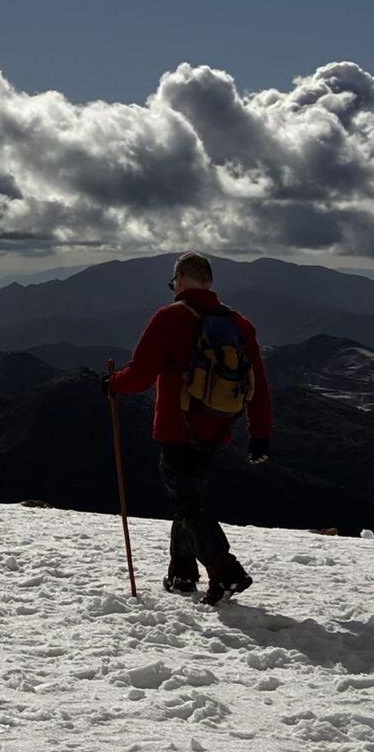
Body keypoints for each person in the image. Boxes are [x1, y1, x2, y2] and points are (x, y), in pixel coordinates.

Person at [105, 252, 272, 605]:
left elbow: (140, 374)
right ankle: (181, 573)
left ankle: (225, 571)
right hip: (219, 427)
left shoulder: (170, 318)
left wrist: (111, 384)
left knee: (188, 503)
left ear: (180, 279)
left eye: (173, 283)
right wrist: (260, 435)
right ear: (209, 282)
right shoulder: (239, 324)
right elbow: (258, 385)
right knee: (188, 499)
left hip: (176, 427)